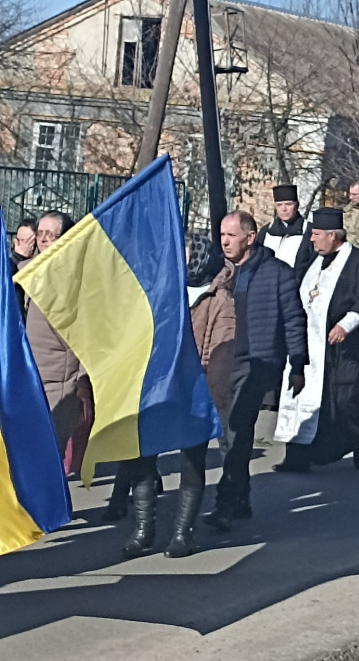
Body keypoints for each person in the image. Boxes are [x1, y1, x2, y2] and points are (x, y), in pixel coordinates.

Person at [117, 232, 232, 558]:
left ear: (196, 255)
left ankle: (183, 533)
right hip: (157, 387)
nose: (175, 258)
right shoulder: (163, 290)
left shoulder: (218, 298)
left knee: (192, 463)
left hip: (194, 391)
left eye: (182, 252)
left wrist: (213, 396)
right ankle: (143, 530)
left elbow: (222, 351)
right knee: (143, 458)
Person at [205, 212, 308, 531]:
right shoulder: (218, 273)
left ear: (250, 238)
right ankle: (241, 496)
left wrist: (298, 364)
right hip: (223, 364)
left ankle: (226, 502)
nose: (224, 241)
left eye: (231, 235)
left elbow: (293, 319)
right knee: (227, 435)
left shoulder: (277, 273)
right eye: (222, 234)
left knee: (237, 431)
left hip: (256, 365)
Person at [274, 208, 359, 472]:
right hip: (308, 347)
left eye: (317, 234)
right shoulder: (315, 259)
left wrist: (346, 324)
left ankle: (355, 439)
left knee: (341, 405)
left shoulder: (358, 263)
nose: (312, 239)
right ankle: (296, 459)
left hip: (340, 350)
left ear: (333, 235)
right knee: (300, 398)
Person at [22, 211, 93, 476]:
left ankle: (48, 515)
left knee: (48, 460)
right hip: (29, 380)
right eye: (39, 233)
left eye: (50, 235)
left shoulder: (75, 280)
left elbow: (87, 334)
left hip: (61, 386)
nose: (42, 240)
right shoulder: (28, 272)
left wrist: (83, 380)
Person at [255, 184, 314, 282]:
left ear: (297, 205)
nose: (284, 209)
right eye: (279, 205)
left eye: (288, 204)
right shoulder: (266, 231)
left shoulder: (309, 231)